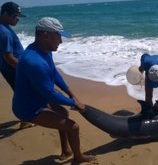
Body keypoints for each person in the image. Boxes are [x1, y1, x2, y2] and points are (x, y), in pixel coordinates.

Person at [12, 17, 95, 163]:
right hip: (29, 108)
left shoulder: (44, 50)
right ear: (46, 36)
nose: (61, 42)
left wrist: (71, 94)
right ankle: (78, 157)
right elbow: (50, 94)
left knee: (63, 113)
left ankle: (65, 151)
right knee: (73, 127)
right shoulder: (33, 62)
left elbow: (54, 73)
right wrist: (75, 103)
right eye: (58, 37)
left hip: (38, 97)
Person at [0, 1, 34, 129]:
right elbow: (9, 57)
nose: (17, 19)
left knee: (22, 92)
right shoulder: (4, 32)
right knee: (24, 93)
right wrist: (26, 69)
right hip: (13, 69)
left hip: (9, 68)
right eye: (15, 16)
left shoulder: (3, 27)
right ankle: (25, 120)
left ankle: (26, 118)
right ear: (5, 14)